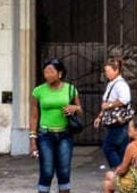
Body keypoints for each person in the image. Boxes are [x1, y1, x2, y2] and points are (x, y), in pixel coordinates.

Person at [31, 58, 81, 193]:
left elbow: (79, 108)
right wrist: (33, 139)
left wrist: (73, 108)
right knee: (46, 171)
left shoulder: (70, 89)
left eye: (51, 71)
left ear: (60, 73)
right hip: (45, 135)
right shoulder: (38, 91)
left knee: (64, 171)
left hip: (65, 135)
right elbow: (34, 116)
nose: (47, 75)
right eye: (45, 72)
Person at [97, 59, 133, 172]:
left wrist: (110, 105)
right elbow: (105, 102)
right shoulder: (112, 83)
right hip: (114, 121)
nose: (106, 73)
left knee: (109, 147)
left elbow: (124, 99)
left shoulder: (120, 84)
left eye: (108, 71)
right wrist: (100, 116)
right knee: (121, 149)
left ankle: (119, 171)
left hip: (118, 122)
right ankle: (124, 173)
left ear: (116, 70)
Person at [103, 117, 137, 193]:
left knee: (107, 183)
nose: (128, 130)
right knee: (109, 174)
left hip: (135, 183)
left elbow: (122, 170)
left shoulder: (132, 146)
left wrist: (117, 172)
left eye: (130, 128)